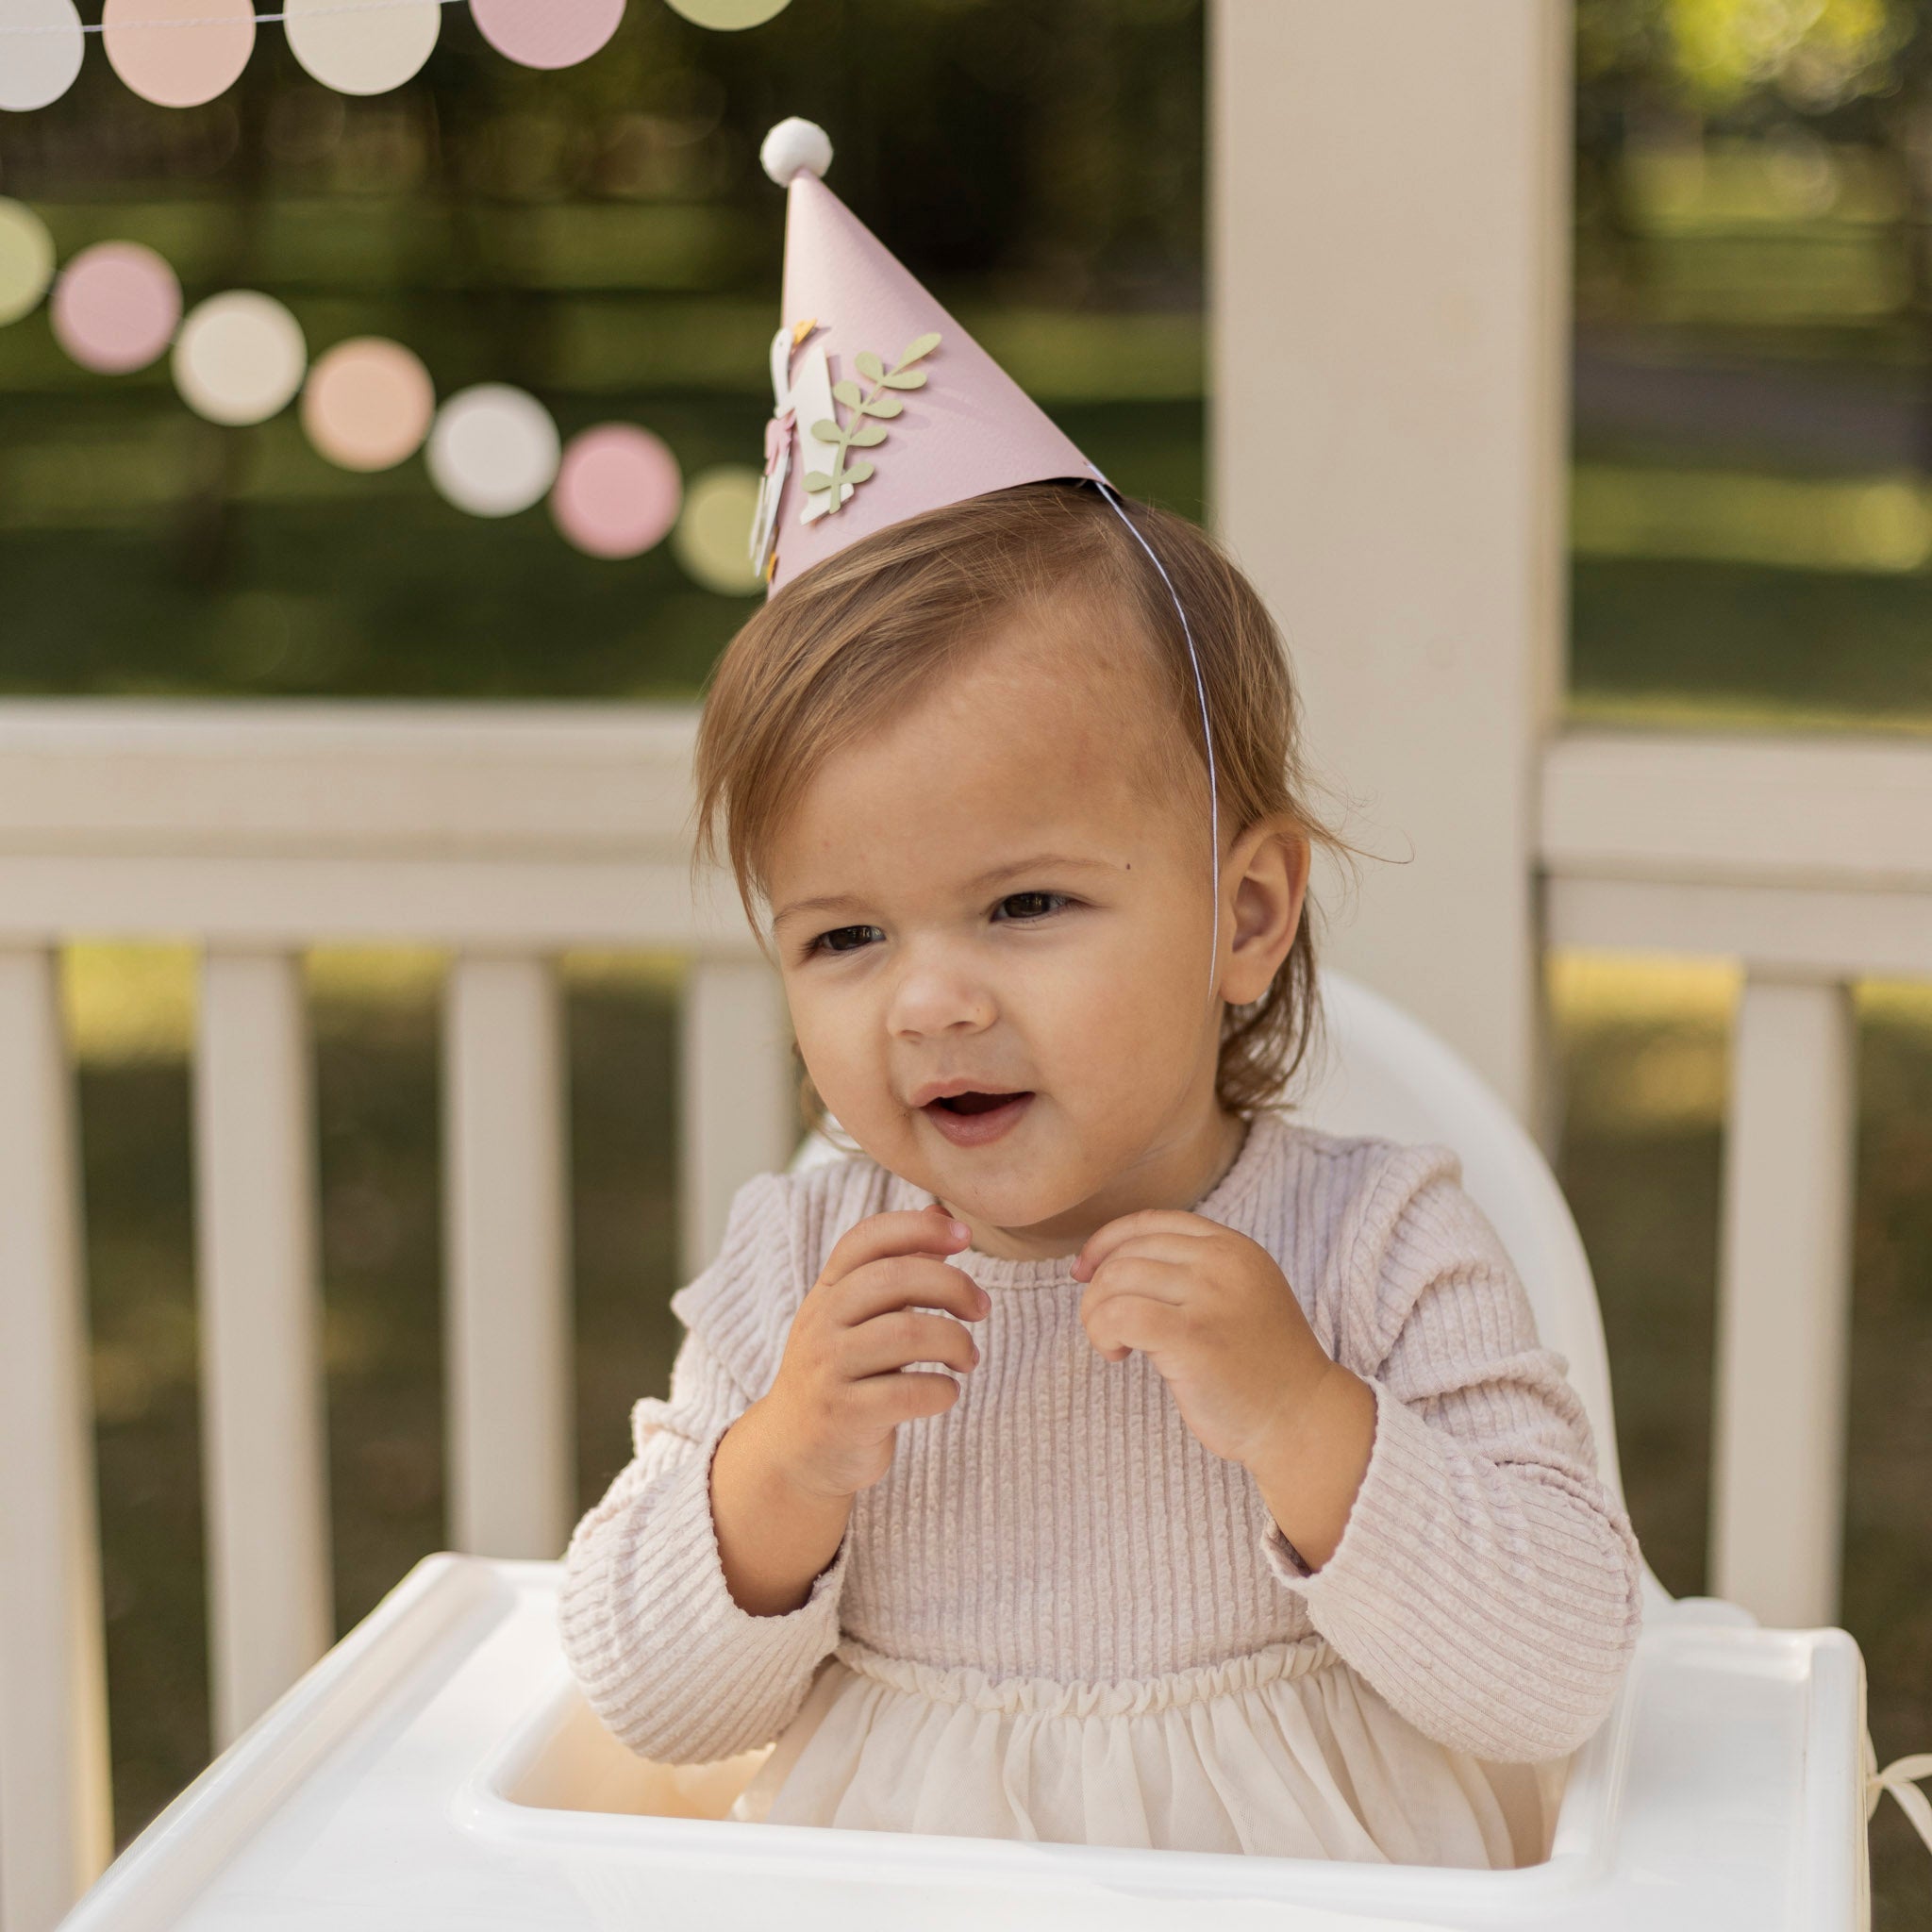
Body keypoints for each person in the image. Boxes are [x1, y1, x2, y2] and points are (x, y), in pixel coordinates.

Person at [557, 119, 1642, 1870]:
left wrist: (1306, 1419)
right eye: (844, 937)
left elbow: (1564, 1672)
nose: (929, 1003)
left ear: (1245, 914)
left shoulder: (1373, 1248)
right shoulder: (796, 1271)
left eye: (1026, 904)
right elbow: (646, 1704)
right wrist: (782, 1471)